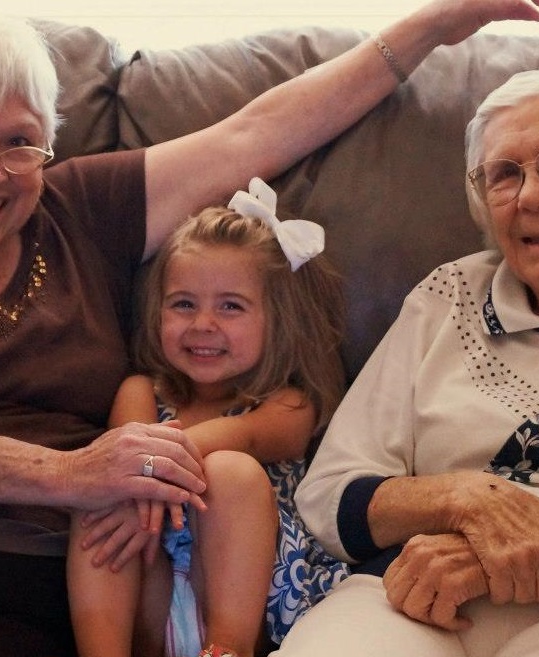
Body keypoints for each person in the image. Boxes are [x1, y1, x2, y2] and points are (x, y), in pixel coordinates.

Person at [0, 1, 539, 655]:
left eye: (19, 143)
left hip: (9, 595)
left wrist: (434, 23)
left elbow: (256, 134)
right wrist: (66, 474)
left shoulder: (79, 210)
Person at [273, 67, 539, 657]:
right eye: (505, 174)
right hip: (418, 593)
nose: (531, 196)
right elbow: (329, 496)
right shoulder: (448, 296)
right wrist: (462, 498)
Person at [67, 179, 349, 657]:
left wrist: (153, 470)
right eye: (183, 304)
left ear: (277, 319)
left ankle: (225, 651)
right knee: (103, 493)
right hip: (152, 596)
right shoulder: (141, 392)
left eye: (230, 307)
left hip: (249, 602)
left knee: (227, 471)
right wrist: (132, 481)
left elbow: (244, 438)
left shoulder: (288, 403)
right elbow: (123, 465)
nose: (202, 325)